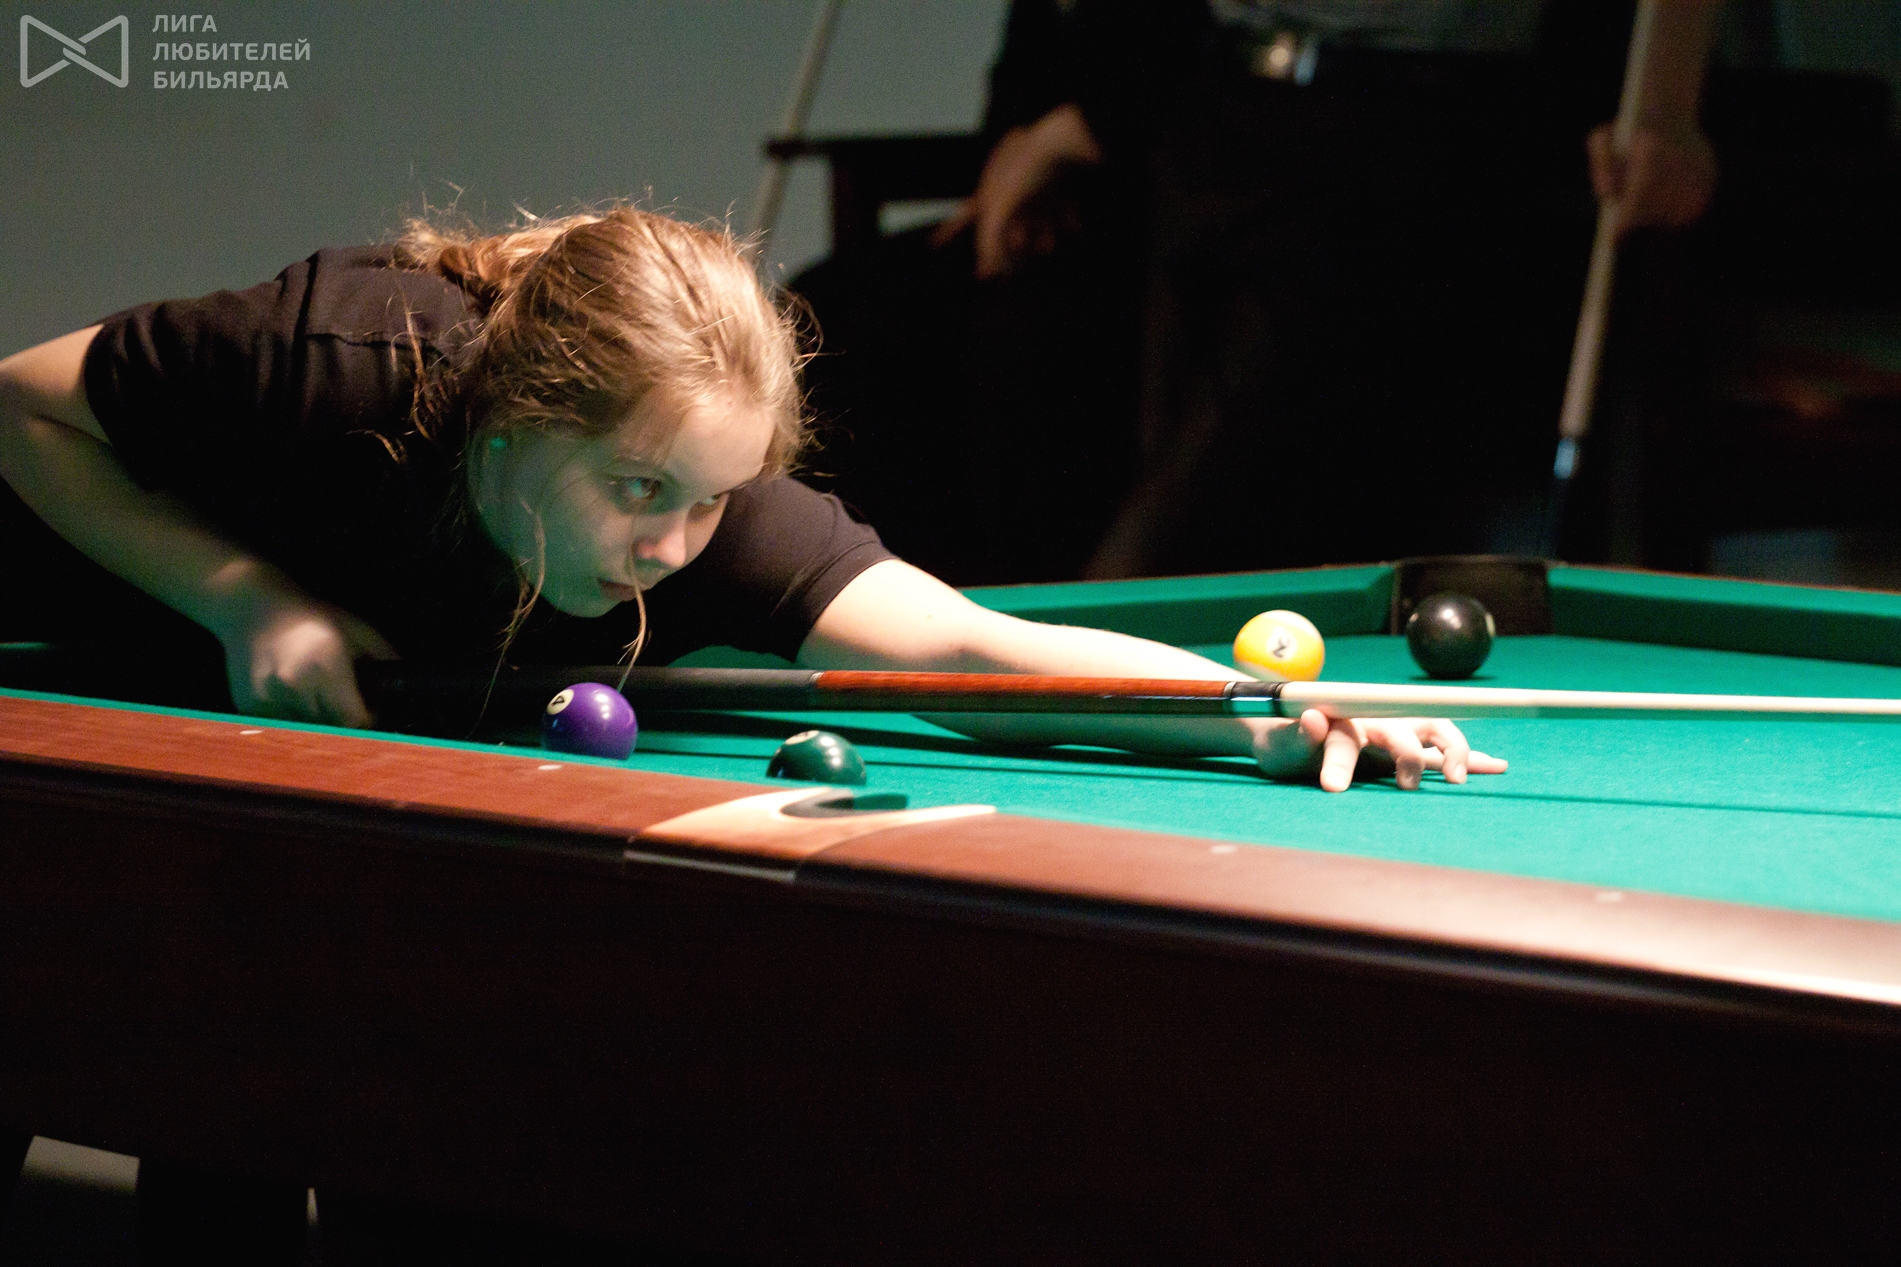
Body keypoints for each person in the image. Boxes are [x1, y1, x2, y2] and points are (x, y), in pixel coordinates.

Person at [0, 206, 1504, 795]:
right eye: (637, 487)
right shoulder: (339, 362)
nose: (673, 543)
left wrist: (1265, 718)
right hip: (56, 652)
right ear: (515, 428)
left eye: (714, 498)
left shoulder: (708, 523)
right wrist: (245, 599)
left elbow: (973, 651)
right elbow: (20, 403)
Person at [931, 0, 1724, 577]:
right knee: (1179, 510)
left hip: (1426, 130)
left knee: (1183, 535)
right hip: (1212, 107)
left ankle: (1081, 699)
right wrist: (1076, 120)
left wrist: (1666, 102)